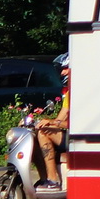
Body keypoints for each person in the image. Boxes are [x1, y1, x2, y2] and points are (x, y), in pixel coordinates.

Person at [33, 58, 70, 191]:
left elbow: (75, 124)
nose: (62, 73)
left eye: (65, 69)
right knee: (36, 134)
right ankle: (44, 178)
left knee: (44, 133)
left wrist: (52, 122)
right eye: (61, 70)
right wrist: (37, 123)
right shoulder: (69, 93)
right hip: (70, 135)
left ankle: (53, 180)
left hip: (79, 137)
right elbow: (60, 120)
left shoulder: (81, 92)